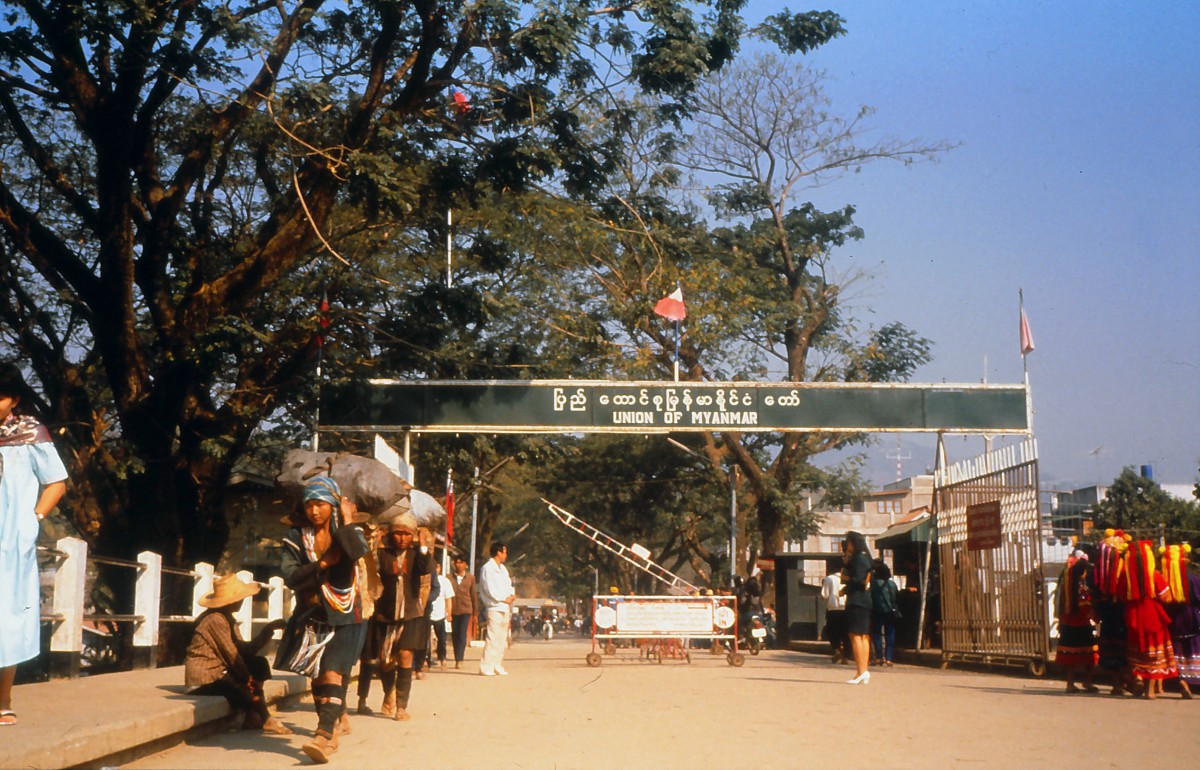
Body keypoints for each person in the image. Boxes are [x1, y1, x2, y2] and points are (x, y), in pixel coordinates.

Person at [281, 476, 371, 764]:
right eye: (309, 505)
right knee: (318, 678)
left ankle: (322, 736)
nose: (314, 511)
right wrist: (322, 564)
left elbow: (359, 552)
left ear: (332, 505)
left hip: (347, 614)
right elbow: (291, 576)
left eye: (320, 504)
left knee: (332, 672)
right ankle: (331, 730)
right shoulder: (296, 536)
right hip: (313, 614)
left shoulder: (344, 530)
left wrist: (347, 519)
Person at [0, 364, 68, 728]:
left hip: (10, 540)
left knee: (7, 616)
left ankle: (3, 699)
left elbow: (56, 481)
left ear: (15, 400)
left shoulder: (30, 433)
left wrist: (34, 518)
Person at [185, 574, 290, 734]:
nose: (242, 601)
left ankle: (253, 717)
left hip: (221, 673)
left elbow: (245, 651)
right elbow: (231, 654)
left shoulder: (227, 619)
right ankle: (266, 718)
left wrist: (267, 631)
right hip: (206, 679)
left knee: (259, 663)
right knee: (237, 688)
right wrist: (248, 677)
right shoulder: (214, 620)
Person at [357, 513, 430, 721]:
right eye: (398, 534)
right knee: (385, 661)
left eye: (407, 534)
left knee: (405, 656)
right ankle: (388, 692)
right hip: (385, 614)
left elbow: (425, 569)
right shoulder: (382, 555)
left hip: (410, 614)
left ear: (413, 536)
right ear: (391, 535)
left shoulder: (417, 555)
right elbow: (370, 573)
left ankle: (401, 706)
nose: (402, 538)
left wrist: (423, 545)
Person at [1121, 539, 1178, 699]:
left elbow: (1120, 594)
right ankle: (1150, 691)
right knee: (1153, 655)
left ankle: (1138, 677)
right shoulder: (1154, 575)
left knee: (1138, 649)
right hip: (1152, 615)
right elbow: (1165, 596)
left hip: (1133, 615)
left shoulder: (1126, 576)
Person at [1094, 530, 1135, 696]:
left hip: (1108, 614)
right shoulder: (1127, 570)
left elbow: (1095, 591)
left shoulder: (1099, 572)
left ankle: (1117, 683)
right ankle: (1127, 679)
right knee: (1124, 648)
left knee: (1110, 649)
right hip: (1123, 614)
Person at [1053, 549, 1099, 693]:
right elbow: (1084, 605)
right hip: (1079, 623)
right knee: (1087, 655)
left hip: (1068, 623)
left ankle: (1072, 683)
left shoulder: (1066, 583)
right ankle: (1084, 682)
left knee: (1073, 657)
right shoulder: (1076, 586)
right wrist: (1096, 616)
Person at [1160, 543, 1196, 699]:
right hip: (1191, 618)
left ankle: (1182, 680)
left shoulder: (1163, 579)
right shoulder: (1193, 579)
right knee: (1193, 647)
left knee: (1177, 649)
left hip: (1172, 618)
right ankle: (1194, 679)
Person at [479, 541, 516, 676]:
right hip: (494, 606)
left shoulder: (503, 569)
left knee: (502, 638)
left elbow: (508, 585)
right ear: (498, 552)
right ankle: (486, 667)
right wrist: (502, 598)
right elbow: (489, 589)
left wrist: (511, 595)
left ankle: (497, 664)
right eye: (504, 552)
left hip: (505, 607)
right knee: (492, 637)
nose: (506, 555)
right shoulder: (487, 568)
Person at [841, 531, 873, 685]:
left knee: (856, 635)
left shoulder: (859, 559)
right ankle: (862, 671)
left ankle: (862, 670)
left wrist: (845, 590)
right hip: (864, 600)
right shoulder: (866, 557)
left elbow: (858, 580)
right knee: (863, 636)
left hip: (857, 600)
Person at [870, 559, 900, 667]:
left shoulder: (874, 584)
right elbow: (896, 597)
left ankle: (878, 657)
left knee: (877, 634)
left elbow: (870, 596)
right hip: (890, 612)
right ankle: (888, 658)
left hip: (877, 611)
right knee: (890, 634)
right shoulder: (892, 584)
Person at [450, 555, 477, 668]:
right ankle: (457, 656)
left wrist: (475, 613)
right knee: (455, 634)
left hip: (466, 609)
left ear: (466, 565)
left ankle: (460, 658)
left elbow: (473, 595)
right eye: (456, 562)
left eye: (461, 563)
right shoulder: (449, 578)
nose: (458, 565)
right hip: (453, 609)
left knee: (462, 633)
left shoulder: (470, 578)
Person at [427, 561, 455, 669]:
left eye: (437, 566)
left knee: (441, 638)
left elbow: (448, 598)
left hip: (440, 614)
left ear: (439, 568)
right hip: (428, 613)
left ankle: (442, 658)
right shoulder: (425, 580)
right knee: (426, 639)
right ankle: (426, 660)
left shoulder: (445, 581)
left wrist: (449, 613)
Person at [821, 555, 847, 664]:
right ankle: (845, 653)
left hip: (832, 609)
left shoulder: (829, 579)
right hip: (845, 608)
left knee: (832, 631)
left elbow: (824, 595)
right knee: (844, 631)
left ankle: (837, 649)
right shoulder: (846, 578)